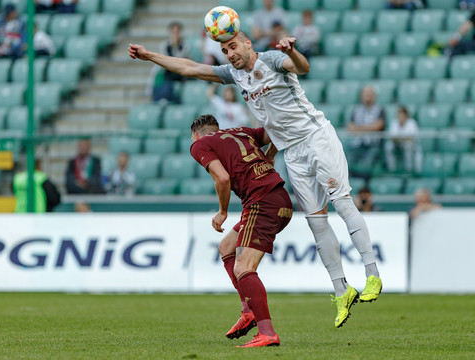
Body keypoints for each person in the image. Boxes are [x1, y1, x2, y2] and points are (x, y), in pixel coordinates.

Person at [128, 31, 383, 329]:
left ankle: (372, 274)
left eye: (233, 46)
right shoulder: (234, 74)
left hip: (317, 138)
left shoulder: (273, 60)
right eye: (225, 50)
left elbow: (302, 68)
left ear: (248, 44)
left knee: (342, 203)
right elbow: (190, 68)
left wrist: (292, 51)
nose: (230, 53)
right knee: (316, 222)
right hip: (292, 152)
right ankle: (342, 290)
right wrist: (150, 56)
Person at [190, 114, 292, 347]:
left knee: (243, 266)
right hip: (280, 199)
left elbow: (222, 178)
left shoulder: (199, 145)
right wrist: (270, 155)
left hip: (262, 202)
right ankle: (248, 311)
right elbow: (277, 126)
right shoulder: (241, 131)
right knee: (226, 247)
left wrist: (222, 211)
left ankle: (267, 332)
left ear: (196, 135)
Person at [347, 86, 386, 179]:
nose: (368, 96)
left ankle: (365, 182)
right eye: (366, 94)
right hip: (357, 144)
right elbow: (351, 127)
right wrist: (368, 128)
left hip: (373, 145)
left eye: (370, 94)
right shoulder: (356, 109)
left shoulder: (380, 109)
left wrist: (360, 128)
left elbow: (378, 125)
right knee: (347, 160)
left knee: (367, 164)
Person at [147, 21, 190, 103]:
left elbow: (180, 59)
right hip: (169, 71)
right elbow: (166, 59)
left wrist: (175, 46)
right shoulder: (165, 44)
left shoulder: (184, 44)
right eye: (173, 32)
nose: (175, 34)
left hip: (181, 71)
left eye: (177, 32)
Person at [384, 106, 422, 174]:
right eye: (399, 114)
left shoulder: (412, 123)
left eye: (402, 114)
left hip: (411, 145)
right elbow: (392, 137)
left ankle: (408, 169)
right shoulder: (394, 123)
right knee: (388, 146)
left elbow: (411, 138)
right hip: (397, 144)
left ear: (406, 115)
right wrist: (403, 138)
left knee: (408, 146)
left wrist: (401, 138)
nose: (400, 116)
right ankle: (392, 169)